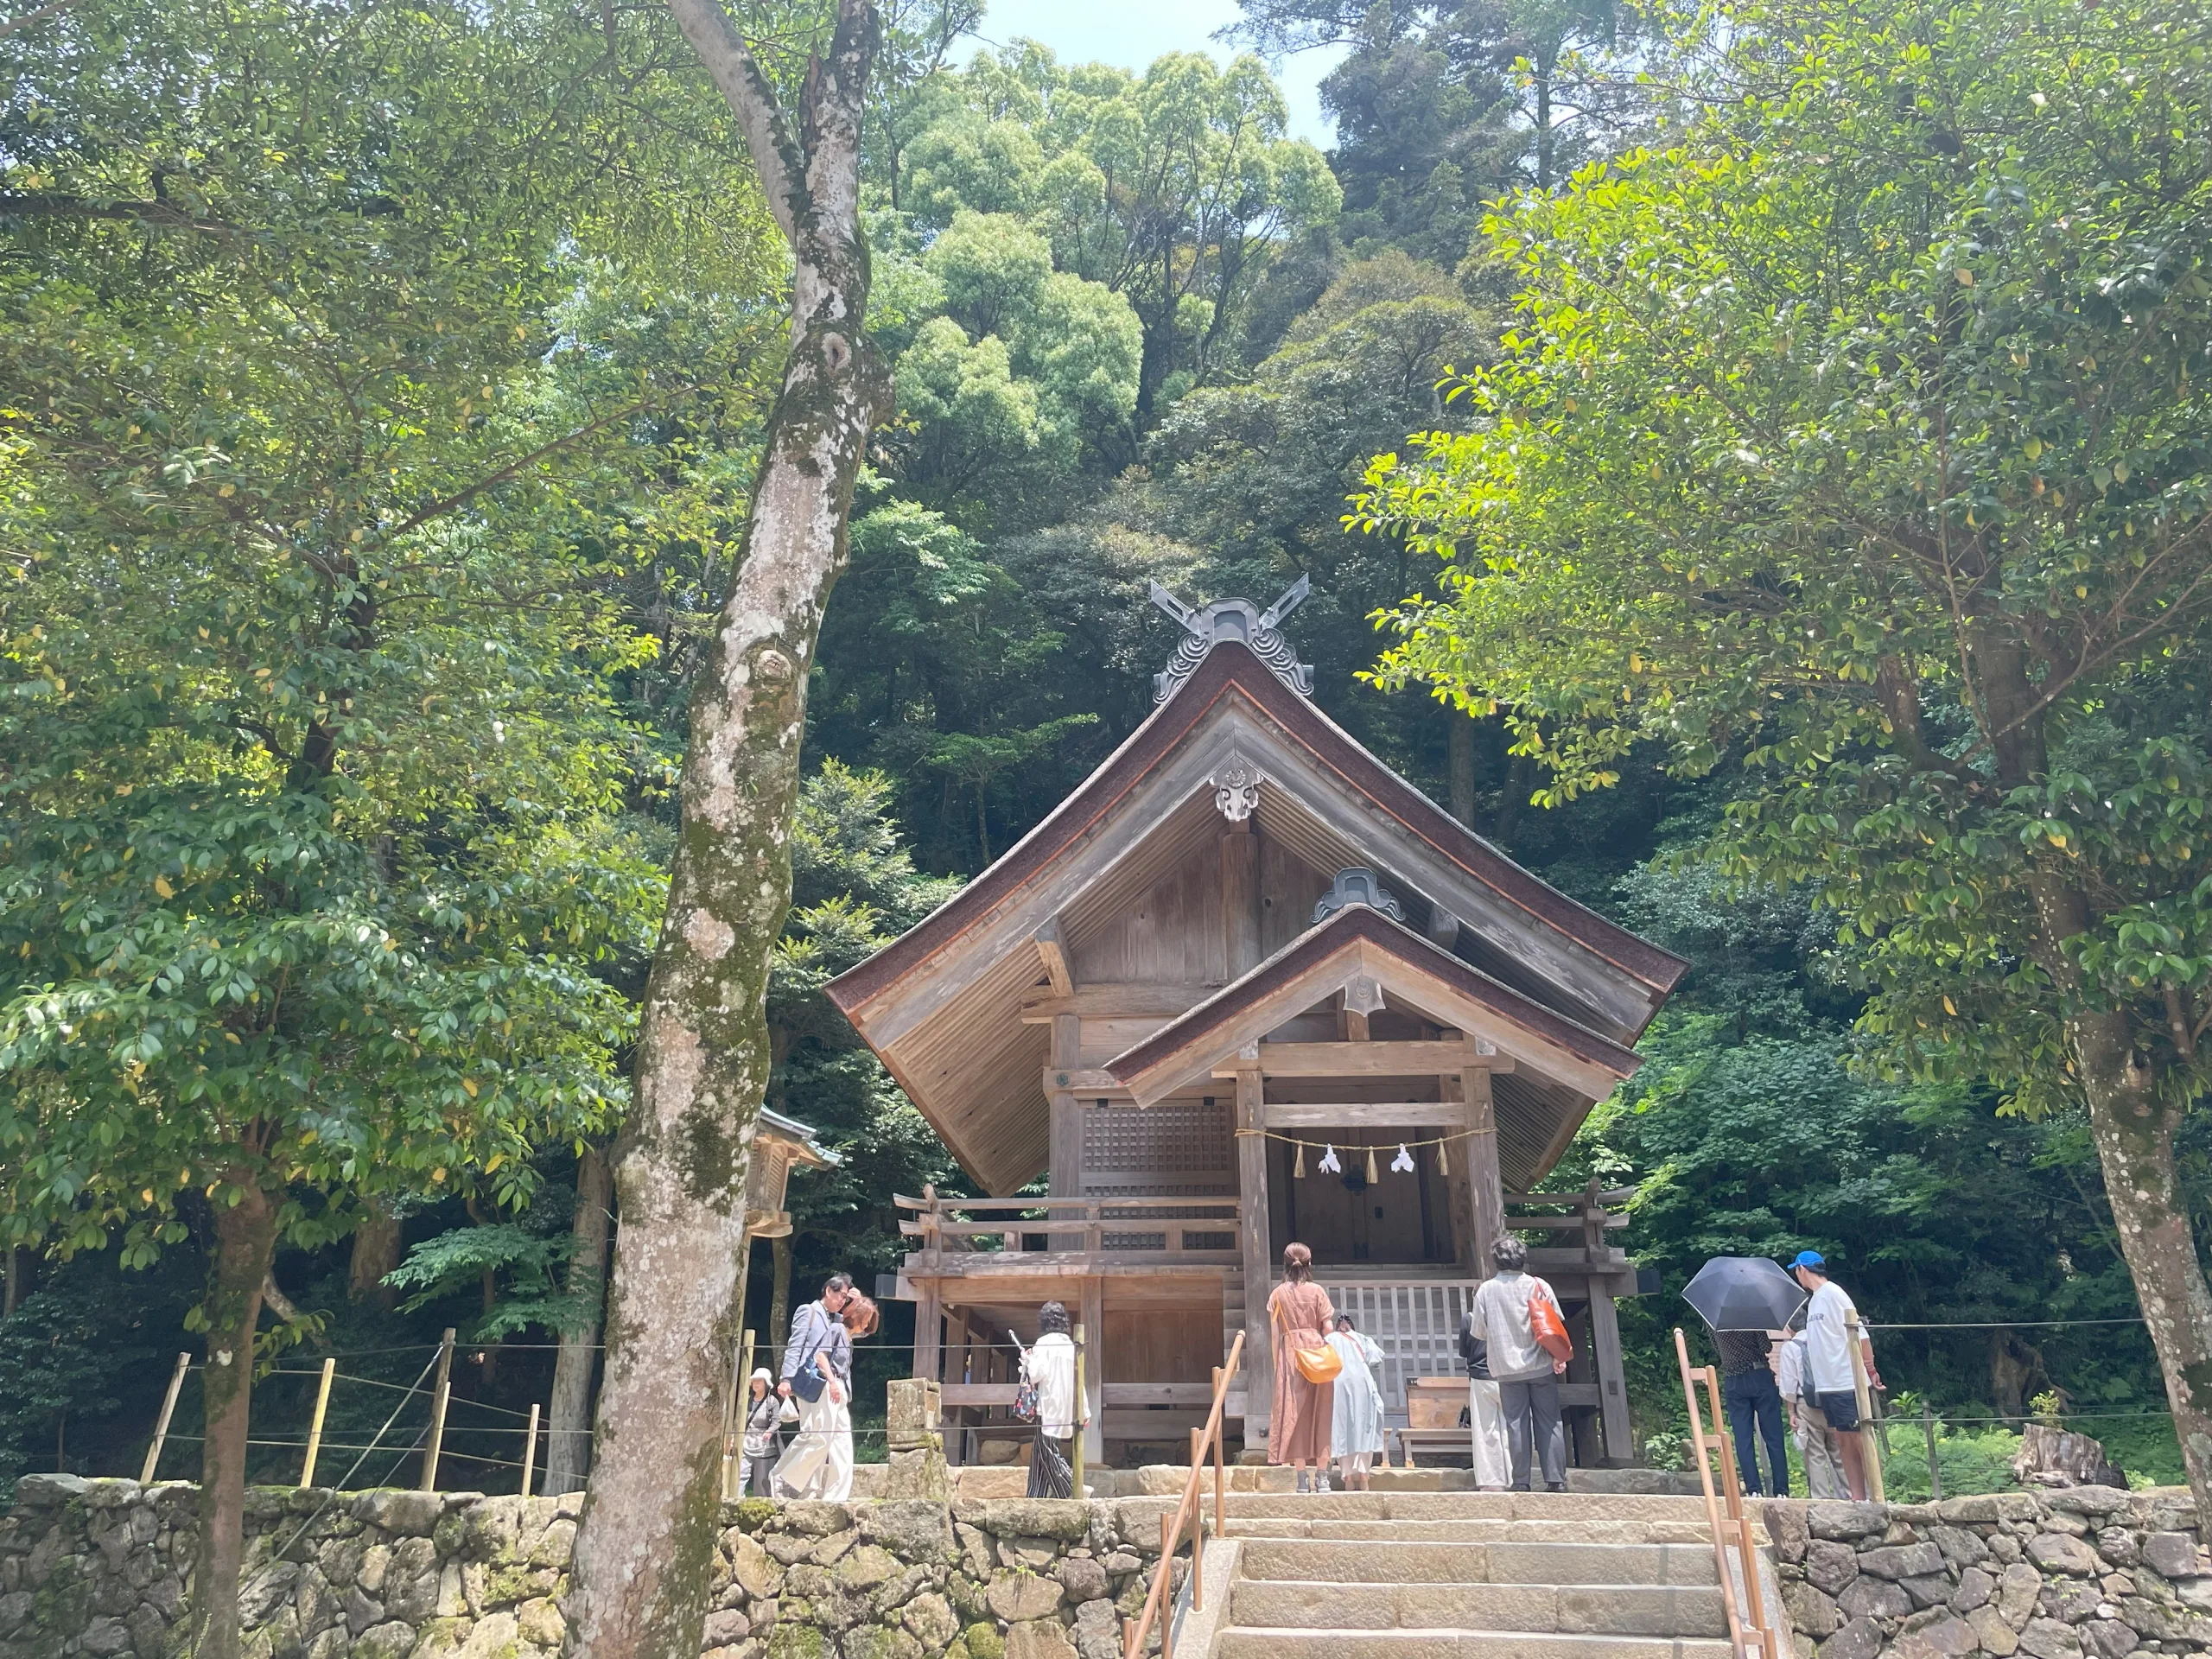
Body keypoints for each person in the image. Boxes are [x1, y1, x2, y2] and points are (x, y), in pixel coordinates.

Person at [1471, 1235, 1567, 1491]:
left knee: (1516, 1424)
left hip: (1506, 1368)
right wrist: (1558, 1356)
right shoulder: (1538, 1285)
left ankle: (1522, 1482)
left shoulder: (1486, 1290)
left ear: (1496, 1261)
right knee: (1549, 1420)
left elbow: (1479, 1331)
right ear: (1522, 1257)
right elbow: (1556, 1322)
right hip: (1540, 1364)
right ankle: (1556, 1481)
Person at [1791, 1250, 1882, 1501]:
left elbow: (1859, 1333)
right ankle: (1857, 1496)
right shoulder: (1815, 1301)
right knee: (1842, 1440)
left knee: (1858, 1437)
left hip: (1846, 1380)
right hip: (1827, 1384)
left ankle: (1877, 1494)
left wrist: (1870, 1369)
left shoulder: (1833, 1293)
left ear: (1801, 1270)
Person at [772, 1280, 865, 1500]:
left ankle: (806, 1488)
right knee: (814, 1437)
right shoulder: (809, 1311)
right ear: (828, 1291)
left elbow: (860, 1328)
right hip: (810, 1380)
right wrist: (786, 1378)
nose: (843, 1300)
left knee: (822, 1439)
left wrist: (858, 1300)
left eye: (846, 1297)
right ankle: (782, 1478)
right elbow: (795, 1345)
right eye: (841, 1295)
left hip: (827, 1383)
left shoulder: (837, 1321)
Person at [1266, 1242, 1337, 1491]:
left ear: (1285, 1264)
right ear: (1309, 1264)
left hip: (1291, 1355)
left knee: (1294, 1416)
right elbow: (1327, 1328)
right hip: (1317, 1355)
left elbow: (1275, 1335)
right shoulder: (1317, 1291)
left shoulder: (1277, 1294)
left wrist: (1278, 1364)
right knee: (1321, 1413)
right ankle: (1323, 1477)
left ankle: (1301, 1480)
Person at [1776, 1313, 1848, 1499]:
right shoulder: (1824, 1340)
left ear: (1789, 1328)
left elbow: (1789, 1385)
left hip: (1806, 1405)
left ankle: (1822, 1499)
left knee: (1815, 1455)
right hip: (1832, 1401)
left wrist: (1791, 1412)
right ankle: (1852, 1495)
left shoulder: (1790, 1348)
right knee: (1839, 1452)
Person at [1021, 1300, 1086, 1497]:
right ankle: (1035, 1494)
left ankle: (1073, 1487)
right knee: (1040, 1450)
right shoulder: (1071, 1345)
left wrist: (1027, 1359)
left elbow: (1035, 1374)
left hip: (1048, 1404)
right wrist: (1085, 1409)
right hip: (1066, 1404)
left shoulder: (1044, 1343)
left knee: (1047, 1450)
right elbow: (1080, 1379)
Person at [1715, 1327, 1789, 1497]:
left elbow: (1716, 1346)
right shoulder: (1749, 1315)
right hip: (1758, 1374)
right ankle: (1781, 1490)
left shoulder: (1714, 1322)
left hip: (1732, 1378)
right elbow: (1765, 1346)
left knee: (1743, 1437)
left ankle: (1753, 1489)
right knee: (1774, 1436)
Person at [1326, 1313, 1387, 1491]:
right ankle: (1363, 1475)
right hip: (1362, 1384)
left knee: (1343, 1429)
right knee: (1363, 1428)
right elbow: (1375, 1358)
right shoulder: (1362, 1338)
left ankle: (1349, 1478)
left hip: (1339, 1383)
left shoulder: (1330, 1339)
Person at [1458, 1299, 1511, 1491]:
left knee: (1485, 1430)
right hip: (1507, 1376)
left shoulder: (1469, 1319)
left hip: (1481, 1376)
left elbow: (1464, 1351)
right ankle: (1514, 1477)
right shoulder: (1506, 1316)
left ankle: (1491, 1481)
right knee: (1510, 1428)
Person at [740, 1367, 781, 1497]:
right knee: (740, 1474)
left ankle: (760, 1506)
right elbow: (739, 1420)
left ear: (766, 1383)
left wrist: (770, 1431)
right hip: (746, 1442)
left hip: (765, 1446)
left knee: (762, 1480)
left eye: (759, 1380)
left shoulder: (772, 1402)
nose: (756, 1383)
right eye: (754, 1380)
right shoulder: (746, 1400)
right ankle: (736, 1499)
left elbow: (777, 1421)